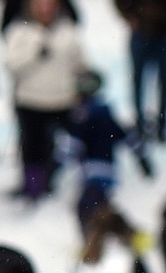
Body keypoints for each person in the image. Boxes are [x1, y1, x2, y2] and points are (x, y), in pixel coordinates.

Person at [1, 0, 87, 198]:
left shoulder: (67, 30)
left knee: (65, 147)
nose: (46, 7)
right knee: (32, 150)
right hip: (30, 101)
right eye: (42, 2)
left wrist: (87, 78)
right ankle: (33, 190)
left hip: (62, 100)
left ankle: (62, 185)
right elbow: (11, 65)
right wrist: (34, 54)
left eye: (50, 2)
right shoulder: (20, 30)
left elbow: (80, 63)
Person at [61, 68, 153, 233]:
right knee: (98, 206)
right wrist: (142, 158)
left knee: (88, 208)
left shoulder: (81, 115)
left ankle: (98, 243)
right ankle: (110, 240)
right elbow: (129, 135)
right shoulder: (105, 112)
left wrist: (53, 166)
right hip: (107, 169)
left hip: (93, 170)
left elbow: (71, 146)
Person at [115, 0, 166, 141]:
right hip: (141, 27)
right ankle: (138, 120)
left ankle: (162, 123)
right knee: (138, 78)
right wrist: (128, 14)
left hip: (162, 30)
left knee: (163, 80)